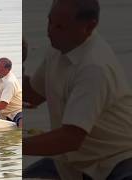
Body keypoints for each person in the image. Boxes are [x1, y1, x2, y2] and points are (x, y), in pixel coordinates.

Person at [23, 0, 132, 180]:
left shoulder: (94, 67)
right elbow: (34, 95)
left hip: (117, 162)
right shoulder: (58, 48)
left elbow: (70, 138)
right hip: (71, 163)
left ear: (89, 27)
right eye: (50, 22)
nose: (50, 31)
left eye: (60, 26)